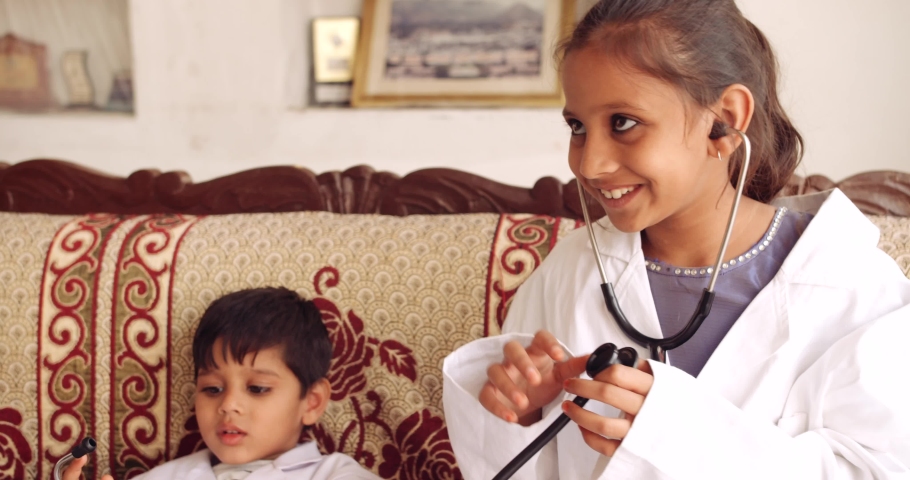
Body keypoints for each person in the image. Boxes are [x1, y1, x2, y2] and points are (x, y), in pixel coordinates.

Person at [442, 0, 910, 478]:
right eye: (578, 127)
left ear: (723, 121)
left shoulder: (854, 286)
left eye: (623, 122)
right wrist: (520, 415)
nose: (589, 164)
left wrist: (679, 432)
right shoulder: (568, 273)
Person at [63, 287, 379, 480]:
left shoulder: (335, 474)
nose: (228, 405)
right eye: (212, 389)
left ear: (312, 402)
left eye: (257, 388)